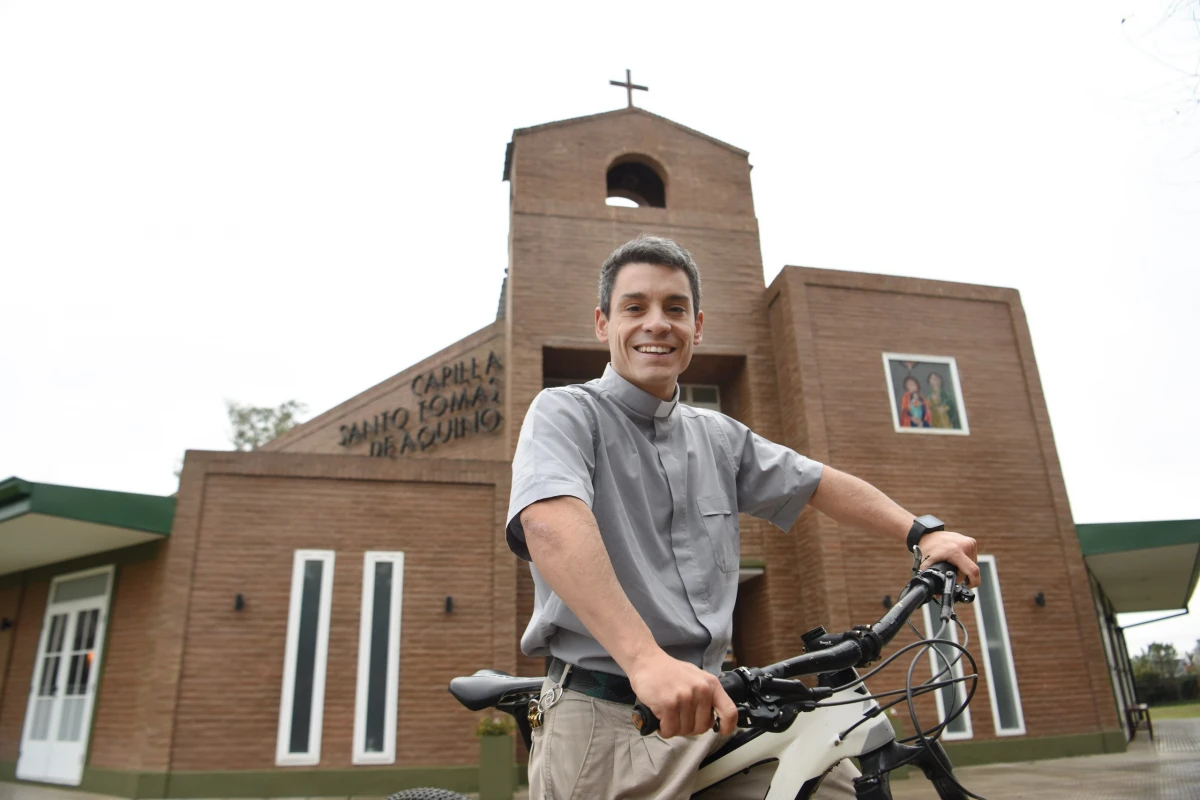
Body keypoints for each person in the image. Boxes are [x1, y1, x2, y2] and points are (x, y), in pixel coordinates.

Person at [506, 235, 979, 799]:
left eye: (675, 308)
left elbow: (818, 483)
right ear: (603, 324)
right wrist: (646, 661)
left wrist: (922, 532)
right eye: (635, 307)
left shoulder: (719, 436)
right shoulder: (564, 411)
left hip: (714, 711)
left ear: (697, 326)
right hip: (607, 720)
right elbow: (549, 523)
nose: (657, 323)